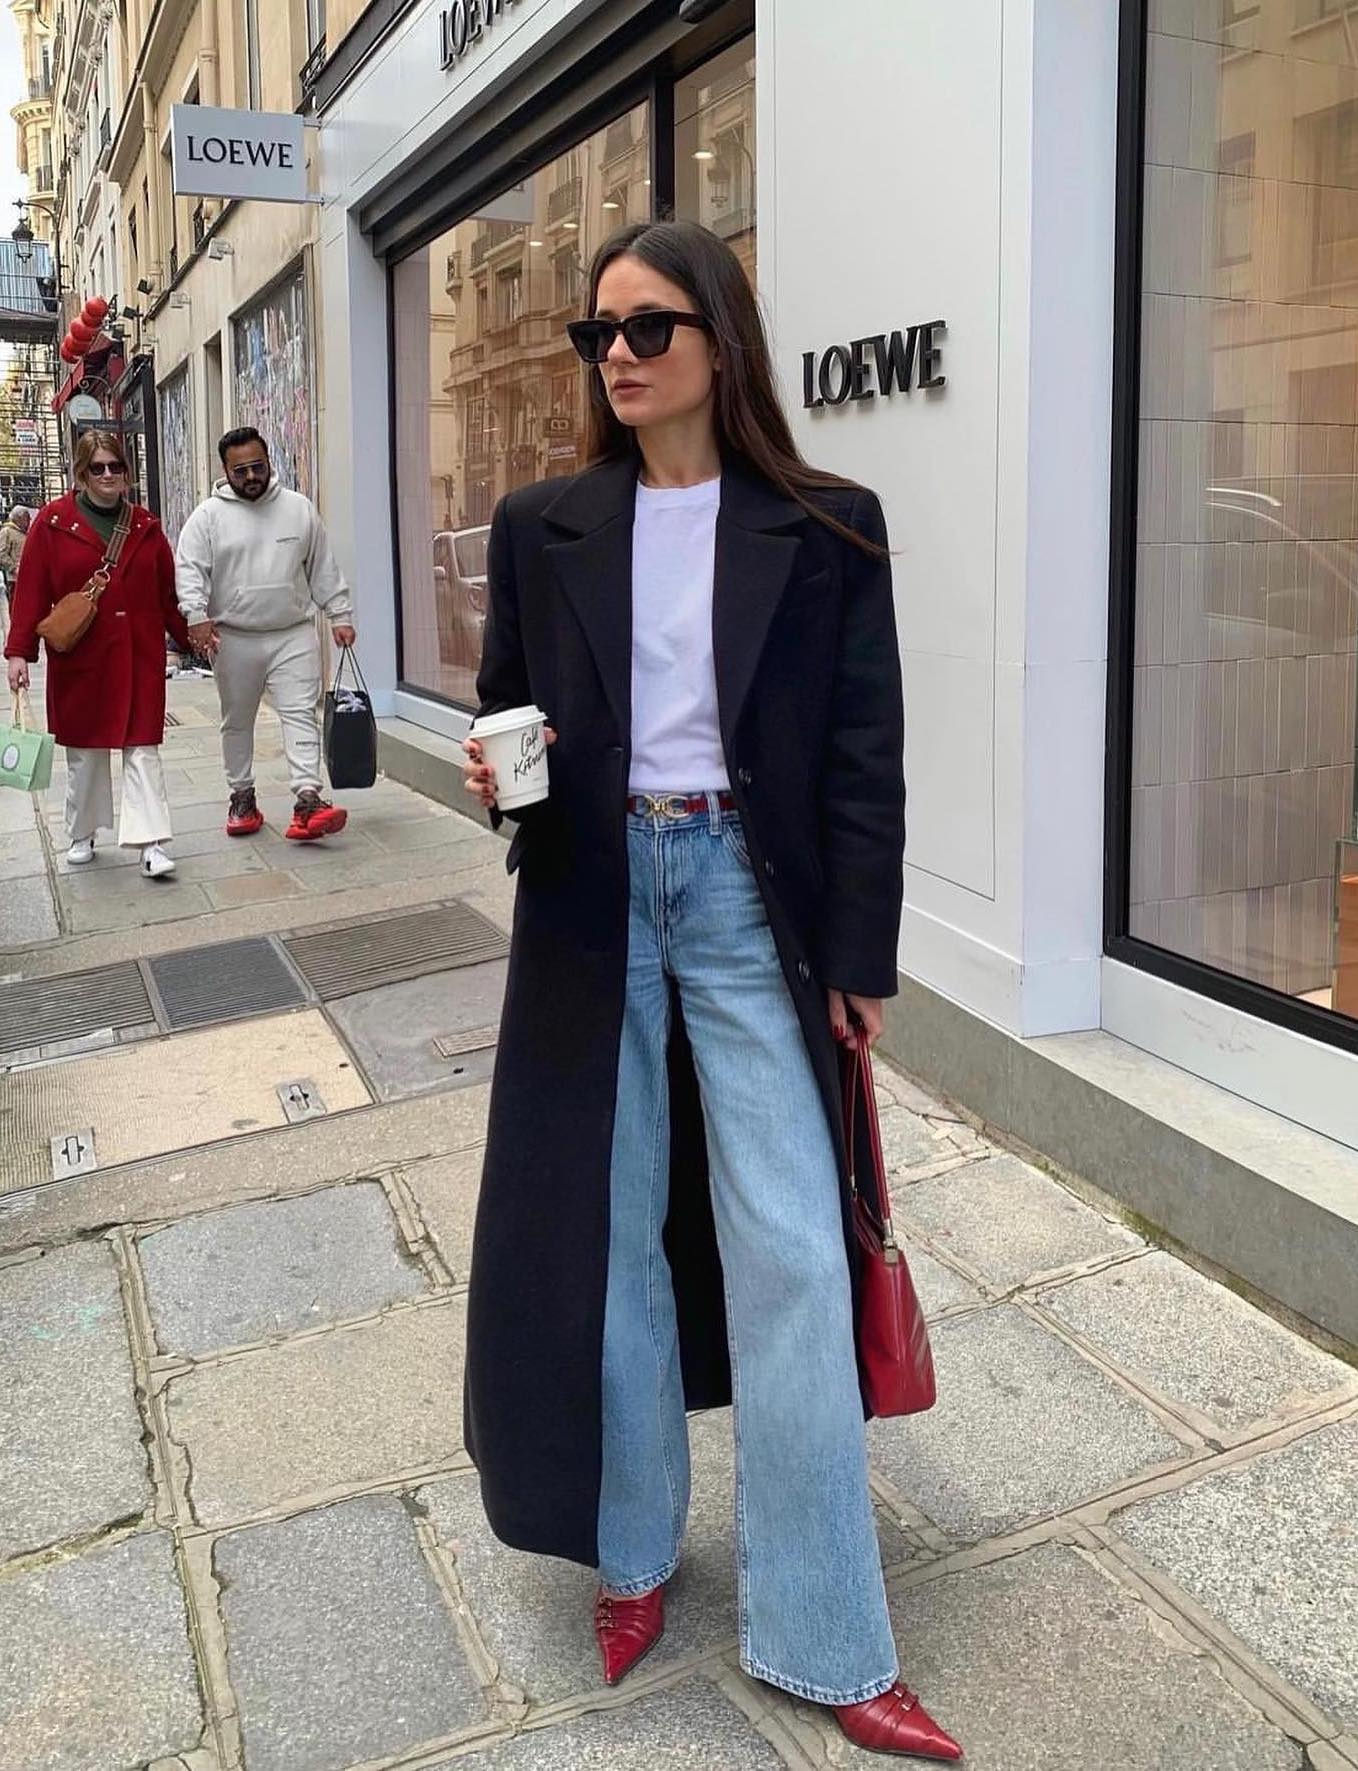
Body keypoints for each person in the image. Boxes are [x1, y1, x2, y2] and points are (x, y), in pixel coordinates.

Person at [460, 221, 962, 1763]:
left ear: (719, 342)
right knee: (608, 1238)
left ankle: (825, 1631)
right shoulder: (542, 521)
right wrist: (502, 780)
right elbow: (508, 724)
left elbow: (860, 758)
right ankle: (629, 1553)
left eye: (648, 326)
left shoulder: (825, 525)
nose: (616, 354)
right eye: (595, 331)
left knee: (794, 1249)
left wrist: (861, 960)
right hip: (593, 902)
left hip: (750, 902)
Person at [4, 434, 188, 879]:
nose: (108, 475)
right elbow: (29, 593)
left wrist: (191, 637)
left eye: (116, 467)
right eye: (98, 468)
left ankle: (151, 841)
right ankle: (82, 831)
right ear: (81, 474)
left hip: (139, 656)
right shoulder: (52, 523)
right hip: (82, 659)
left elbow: (168, 595)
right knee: (85, 752)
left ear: (127, 472)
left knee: (143, 748)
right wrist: (18, 654)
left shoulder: (146, 525)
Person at [174, 427, 355, 841]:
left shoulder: (298, 509)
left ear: (269, 462)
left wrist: (339, 614)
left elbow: (322, 567)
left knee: (300, 714)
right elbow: (189, 569)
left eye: (258, 466)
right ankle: (241, 796)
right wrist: (196, 616)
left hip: (293, 632)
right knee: (237, 722)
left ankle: (308, 799)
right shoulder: (207, 517)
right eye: (241, 470)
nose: (251, 476)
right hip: (233, 636)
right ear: (226, 470)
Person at [0, 505, 31, 644]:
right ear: (19, 518)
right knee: (15, 605)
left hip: (28, 575)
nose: (29, 521)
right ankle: (16, 633)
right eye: (26, 519)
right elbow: (1, 553)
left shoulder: (24, 532)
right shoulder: (7, 531)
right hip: (15, 577)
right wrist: (13, 568)